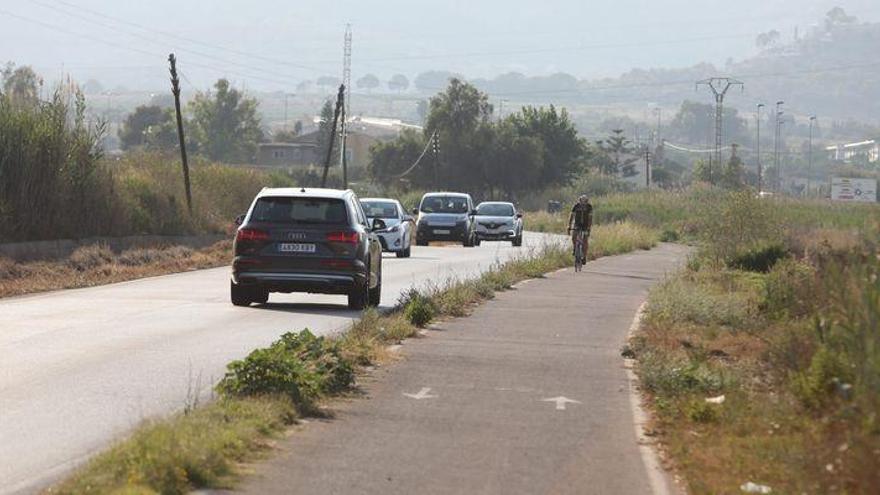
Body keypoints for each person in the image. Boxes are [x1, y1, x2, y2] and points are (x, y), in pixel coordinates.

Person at [568, 195, 593, 261]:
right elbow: (571, 216)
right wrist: (569, 226)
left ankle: (584, 256)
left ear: (587, 202)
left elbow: (590, 218)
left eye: (585, 202)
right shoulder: (576, 206)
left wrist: (589, 228)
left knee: (585, 240)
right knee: (574, 237)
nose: (583, 204)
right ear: (579, 201)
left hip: (585, 225)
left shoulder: (589, 207)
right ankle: (574, 248)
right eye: (581, 202)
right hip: (577, 224)